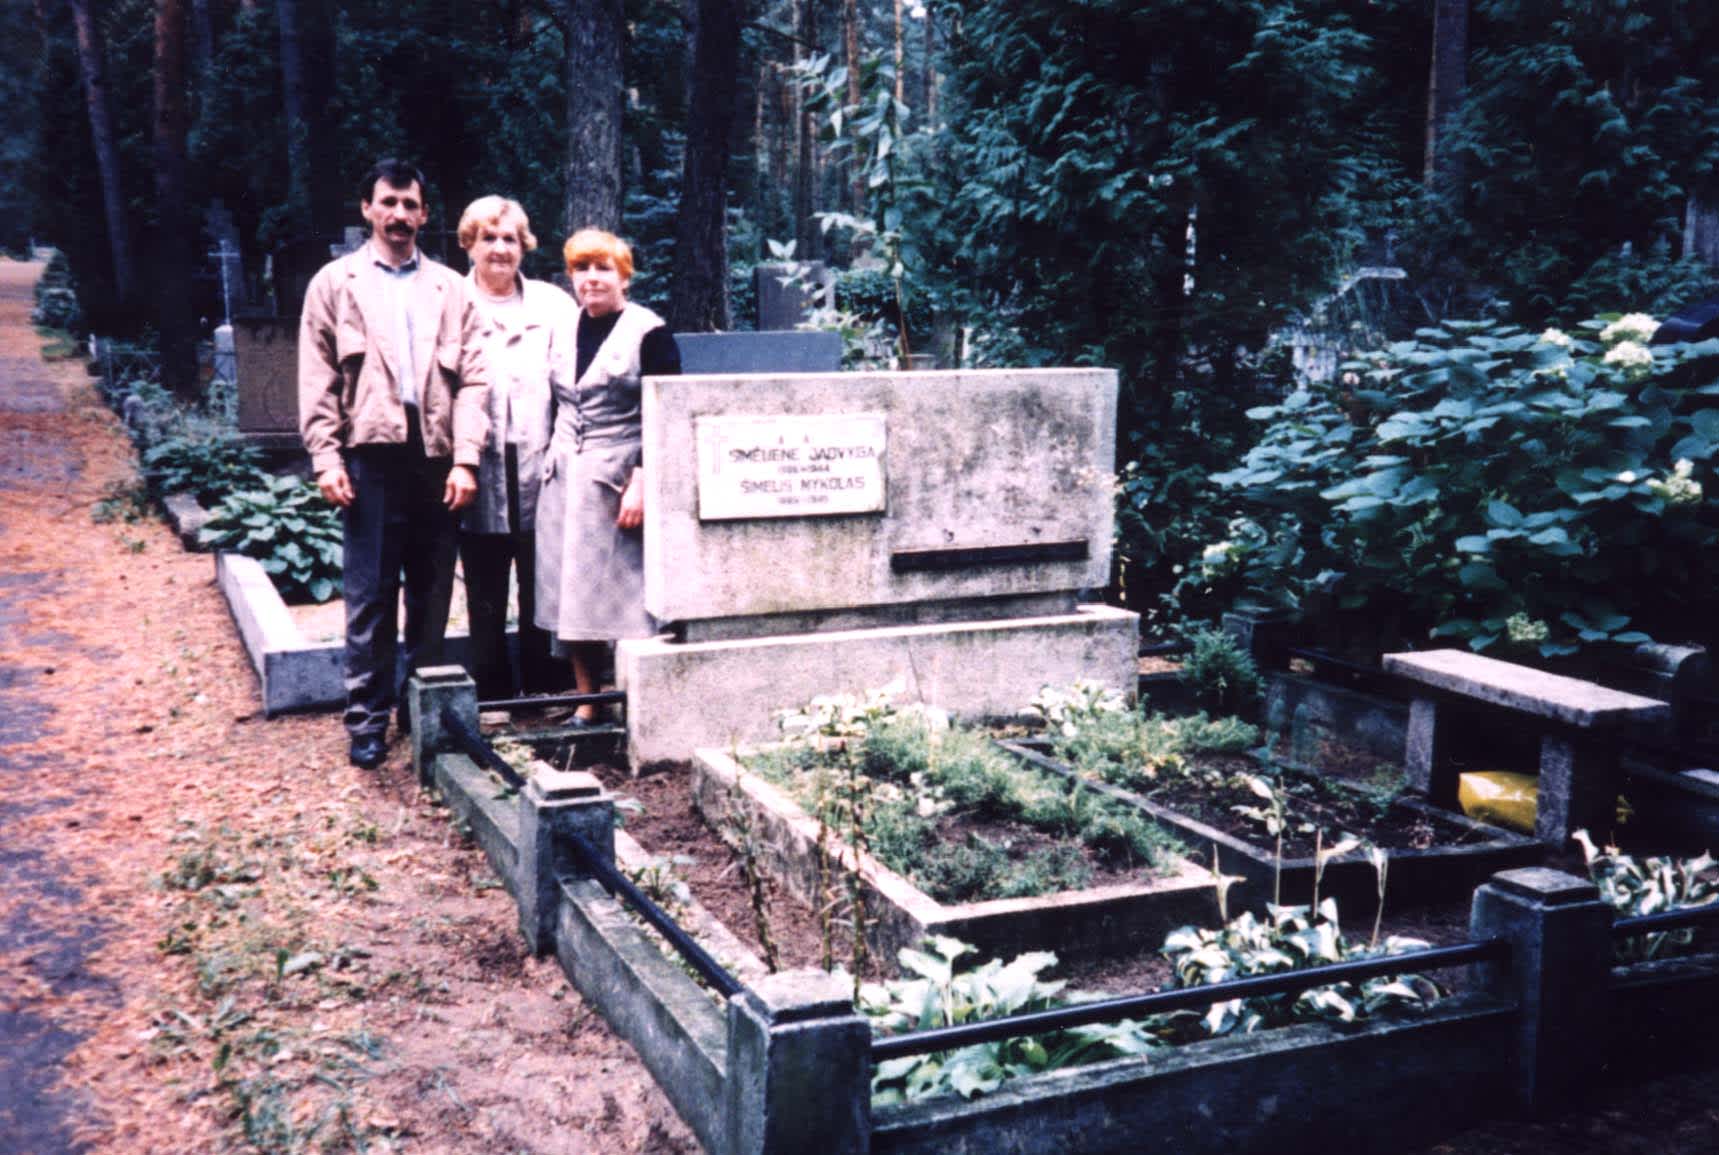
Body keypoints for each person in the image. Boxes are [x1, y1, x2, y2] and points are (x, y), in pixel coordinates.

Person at [299, 158, 490, 768]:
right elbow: (318, 377)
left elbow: (476, 381)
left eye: (411, 206)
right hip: (370, 457)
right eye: (389, 203)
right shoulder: (336, 283)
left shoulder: (452, 288)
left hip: (435, 459)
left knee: (432, 596)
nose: (400, 216)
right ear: (367, 209)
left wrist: (466, 461)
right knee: (371, 595)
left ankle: (422, 712)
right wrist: (326, 457)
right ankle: (367, 719)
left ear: (425, 214)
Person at [536, 229, 680, 722]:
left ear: (624, 276)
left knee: (623, 591)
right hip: (563, 478)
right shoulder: (562, 327)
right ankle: (587, 700)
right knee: (568, 591)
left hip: (618, 481)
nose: (592, 279)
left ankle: (636, 702)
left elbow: (667, 416)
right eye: (582, 268)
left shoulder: (650, 332)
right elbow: (555, 401)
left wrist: (642, 481)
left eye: (603, 268)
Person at [453, 195, 575, 702]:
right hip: (476, 466)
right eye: (489, 238)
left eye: (510, 238)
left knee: (541, 580)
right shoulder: (449, 301)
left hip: (541, 462)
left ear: (523, 246)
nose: (500, 249)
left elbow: (574, 385)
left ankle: (546, 686)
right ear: (470, 244)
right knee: (483, 585)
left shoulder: (552, 304)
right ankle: (492, 692)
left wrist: (562, 451)